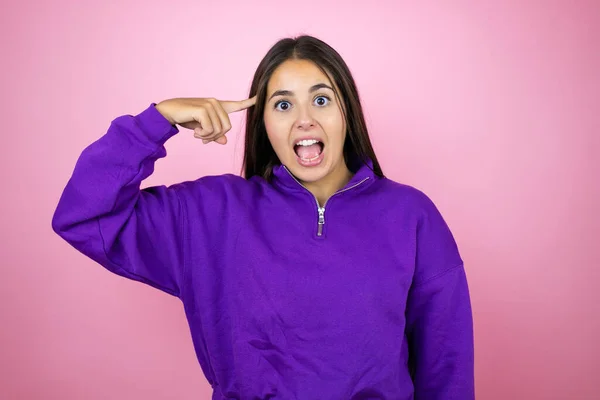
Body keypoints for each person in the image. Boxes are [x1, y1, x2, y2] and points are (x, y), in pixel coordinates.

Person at [52, 35, 475, 399]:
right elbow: (86, 216)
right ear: (263, 123)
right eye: (283, 104)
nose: (305, 119)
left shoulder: (411, 215)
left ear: (348, 111)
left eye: (322, 99)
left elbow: (446, 366)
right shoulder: (212, 214)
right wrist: (156, 120)